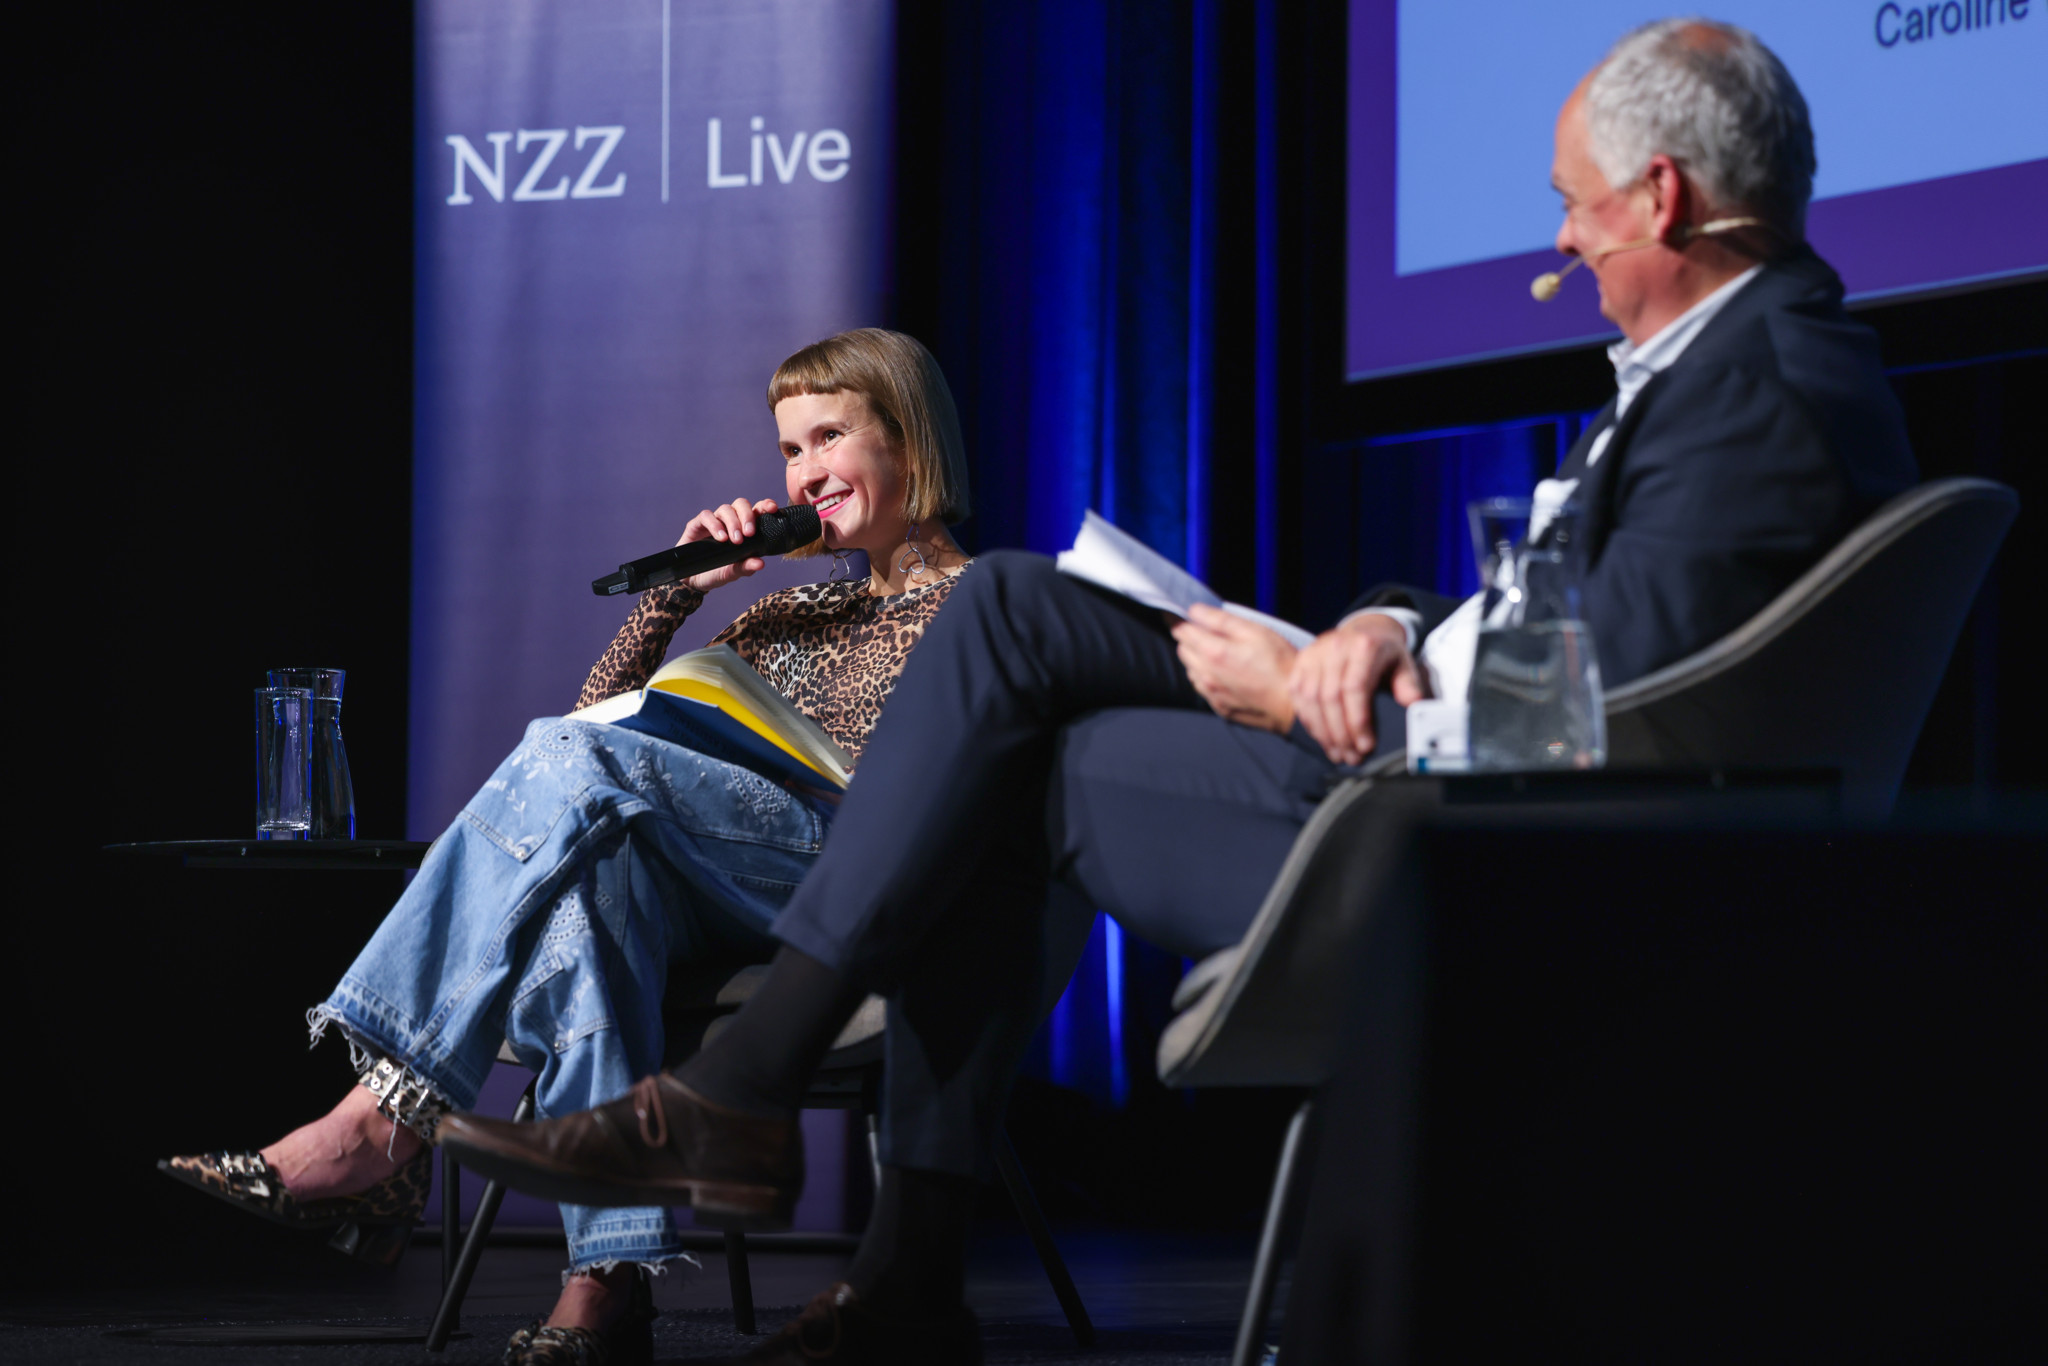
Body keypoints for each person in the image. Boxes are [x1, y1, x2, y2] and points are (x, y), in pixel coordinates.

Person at [441, 19, 1920, 1365]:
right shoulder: (1754, 370)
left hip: (1471, 852)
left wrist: (1309, 693)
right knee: (1017, 689)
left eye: (1574, 203)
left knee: (1006, 627)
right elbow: (1566, 631)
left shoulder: (1758, 392)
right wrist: (1376, 624)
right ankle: (878, 1262)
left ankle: (764, 1128)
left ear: (1659, 198)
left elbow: (1602, 725)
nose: (1563, 238)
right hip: (1426, 773)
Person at [159, 328, 975, 1366]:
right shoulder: (786, 612)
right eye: (788, 450)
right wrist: (678, 594)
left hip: (845, 877)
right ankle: (606, 1282)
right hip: (716, 883)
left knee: (571, 777)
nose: (804, 472)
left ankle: (380, 1120)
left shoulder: (985, 607)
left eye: (830, 437)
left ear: (909, 437)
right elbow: (593, 734)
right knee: (591, 891)